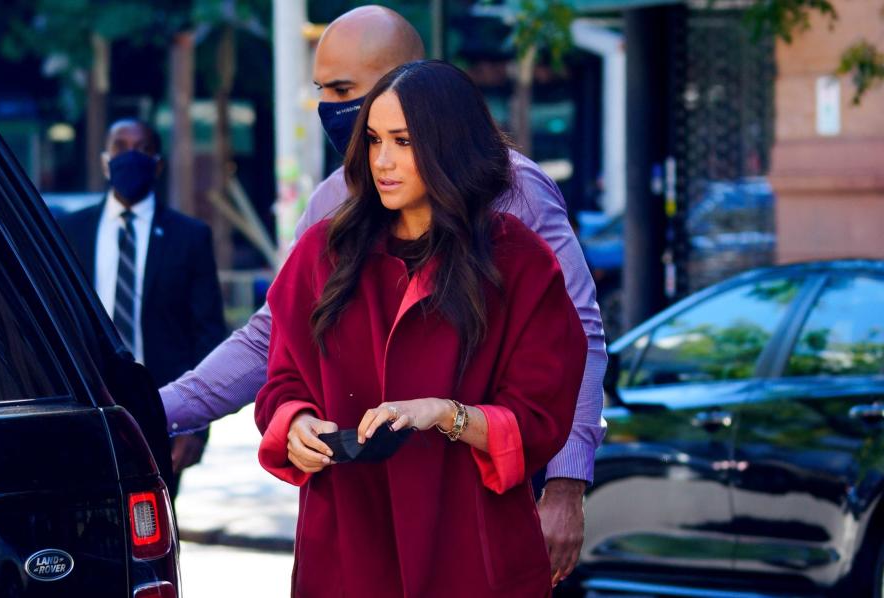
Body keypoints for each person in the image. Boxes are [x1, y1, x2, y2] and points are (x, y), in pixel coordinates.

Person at [161, 5, 607, 581]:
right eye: (324, 91)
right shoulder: (329, 215)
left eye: (347, 90)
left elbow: (576, 337)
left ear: (413, 82)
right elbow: (275, 344)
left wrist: (567, 486)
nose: (333, 110)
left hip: (477, 504)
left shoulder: (515, 197)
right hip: (354, 520)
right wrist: (157, 411)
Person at [256, 59, 587, 597]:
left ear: (449, 145)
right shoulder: (324, 251)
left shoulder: (520, 262)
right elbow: (281, 380)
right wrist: (294, 424)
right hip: (346, 546)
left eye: (404, 142)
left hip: (470, 551)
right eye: (373, 140)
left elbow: (540, 419)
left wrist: (442, 414)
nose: (382, 161)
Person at [60, 119, 226, 495]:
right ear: (106, 160)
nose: (131, 156)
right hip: (88, 408)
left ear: (158, 163)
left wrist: (198, 426)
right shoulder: (70, 232)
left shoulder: (190, 237)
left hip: (162, 412)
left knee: (157, 531)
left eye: (143, 148)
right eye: (121, 146)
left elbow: (208, 333)